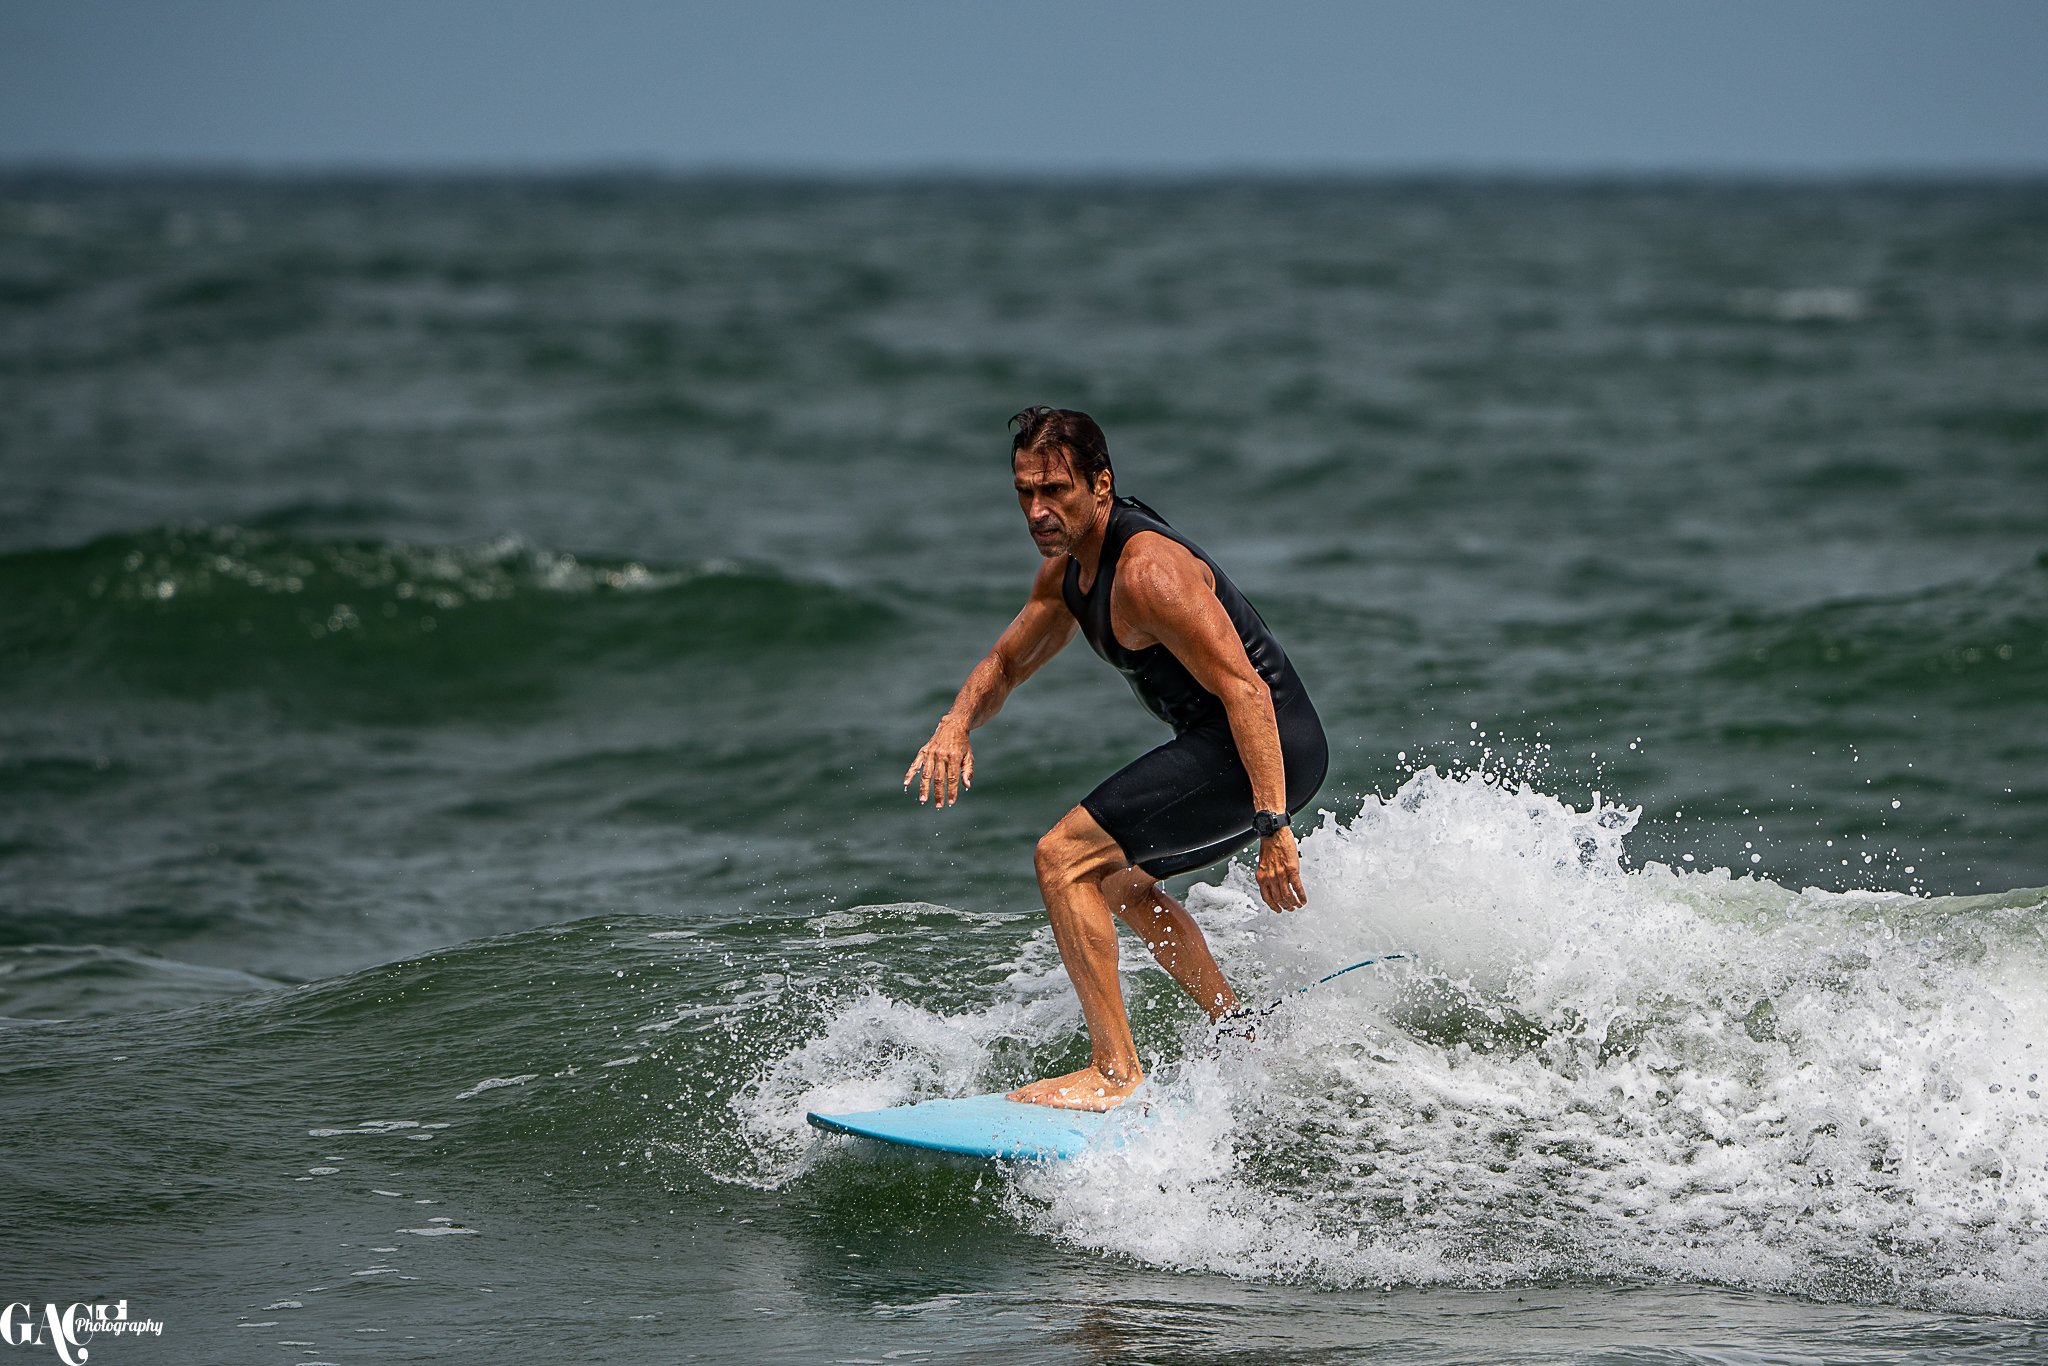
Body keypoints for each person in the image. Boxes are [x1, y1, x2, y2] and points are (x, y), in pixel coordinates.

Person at [903, 406, 1328, 1110]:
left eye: (1056, 491)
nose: (1038, 511)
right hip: (1232, 745)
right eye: (1025, 494)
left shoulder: (1147, 574)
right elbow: (1006, 664)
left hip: (1264, 744)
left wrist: (1273, 826)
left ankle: (1114, 1072)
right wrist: (955, 723)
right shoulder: (1068, 574)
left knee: (1062, 857)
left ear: (1101, 486)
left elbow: (1247, 692)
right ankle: (1238, 1027)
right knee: (1119, 883)